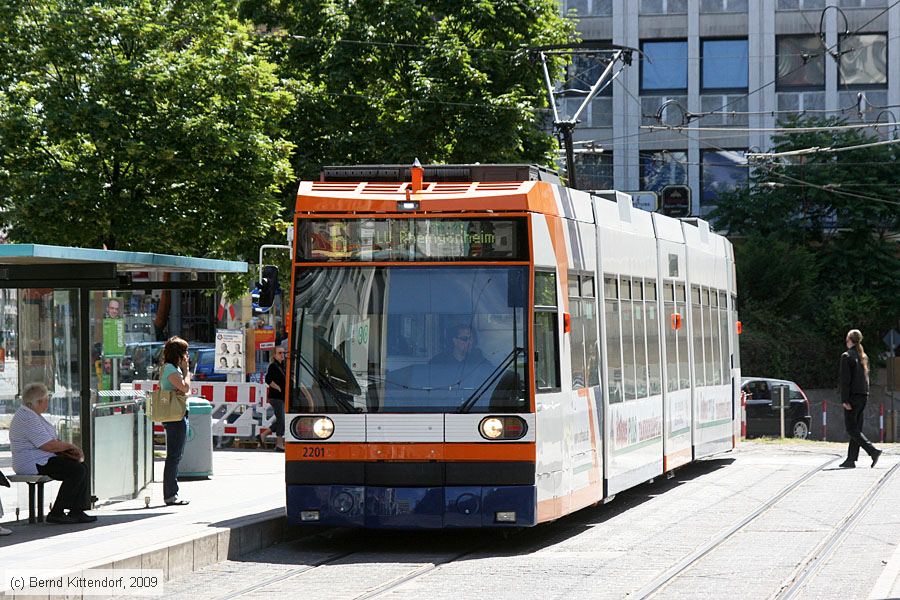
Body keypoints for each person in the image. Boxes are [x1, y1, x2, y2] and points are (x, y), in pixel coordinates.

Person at [9, 382, 97, 524]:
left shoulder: (32, 414)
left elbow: (50, 441)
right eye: (46, 399)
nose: (48, 402)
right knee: (76, 470)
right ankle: (57, 512)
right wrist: (70, 447)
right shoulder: (27, 417)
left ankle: (77, 510)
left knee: (81, 468)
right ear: (38, 402)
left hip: (41, 459)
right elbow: (47, 445)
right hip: (33, 462)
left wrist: (67, 449)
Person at [838, 329, 882, 469]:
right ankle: (851, 459)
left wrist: (844, 400)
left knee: (851, 429)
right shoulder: (863, 356)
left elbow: (845, 380)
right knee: (856, 428)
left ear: (849, 340)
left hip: (852, 397)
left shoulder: (846, 356)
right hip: (863, 396)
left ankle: (872, 451)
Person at [428, 324, 493, 405]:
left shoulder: (479, 360)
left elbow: (492, 375)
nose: (470, 342)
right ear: (454, 341)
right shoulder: (438, 361)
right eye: (465, 339)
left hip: (473, 406)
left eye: (472, 339)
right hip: (444, 406)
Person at [160, 336, 191, 505]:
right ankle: (170, 494)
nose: (187, 355)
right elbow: (185, 387)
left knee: (175, 456)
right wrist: (186, 372)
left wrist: (184, 389)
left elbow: (184, 390)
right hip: (175, 417)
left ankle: (172, 493)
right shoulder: (171, 369)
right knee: (173, 456)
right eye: (185, 352)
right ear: (178, 354)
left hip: (177, 415)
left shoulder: (171, 369)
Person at [264, 346, 287, 452]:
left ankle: (263, 434)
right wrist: (278, 387)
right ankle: (279, 444)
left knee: (282, 420)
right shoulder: (273, 366)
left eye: (283, 352)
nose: (282, 354)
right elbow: (268, 379)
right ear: (274, 355)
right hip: (276, 397)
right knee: (281, 420)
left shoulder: (282, 366)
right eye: (280, 353)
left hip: (281, 397)